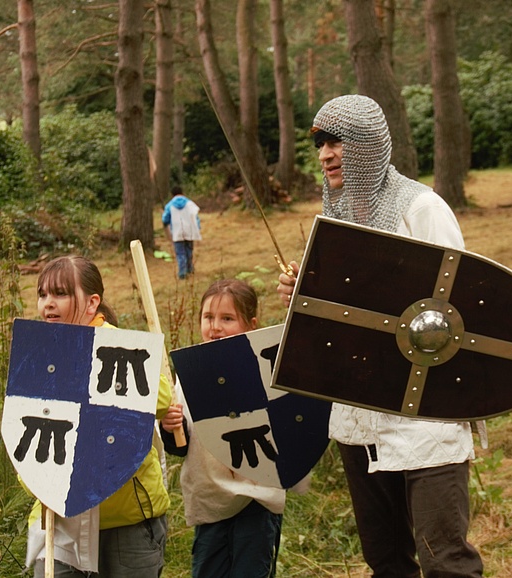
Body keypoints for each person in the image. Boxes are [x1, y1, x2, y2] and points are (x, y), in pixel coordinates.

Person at [277, 95, 484, 578]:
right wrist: (301, 292)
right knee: (386, 562)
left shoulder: (423, 208)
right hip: (358, 419)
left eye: (338, 141)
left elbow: (460, 310)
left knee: (445, 562)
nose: (326, 154)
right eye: (321, 143)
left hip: (425, 418)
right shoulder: (334, 219)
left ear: (368, 144)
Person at [27, 255, 172, 577]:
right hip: (60, 520)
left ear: (92, 303)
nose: (49, 304)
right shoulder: (36, 357)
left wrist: (90, 358)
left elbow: (162, 399)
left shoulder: (119, 348)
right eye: (43, 294)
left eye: (61, 293)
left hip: (126, 522)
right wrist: (37, 485)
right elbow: (23, 435)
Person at [160, 279, 285, 578]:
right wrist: (169, 426)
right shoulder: (191, 374)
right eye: (208, 318)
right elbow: (180, 445)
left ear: (250, 325)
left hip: (256, 499)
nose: (215, 327)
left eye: (227, 319)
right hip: (210, 500)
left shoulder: (264, 370)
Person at [162, 185, 201, 279]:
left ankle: (182, 273)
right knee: (189, 251)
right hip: (190, 231)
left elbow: (165, 219)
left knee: (180, 253)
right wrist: (198, 228)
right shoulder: (190, 203)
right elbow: (196, 217)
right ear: (182, 193)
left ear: (172, 195)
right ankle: (190, 269)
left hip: (177, 233)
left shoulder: (170, 205)